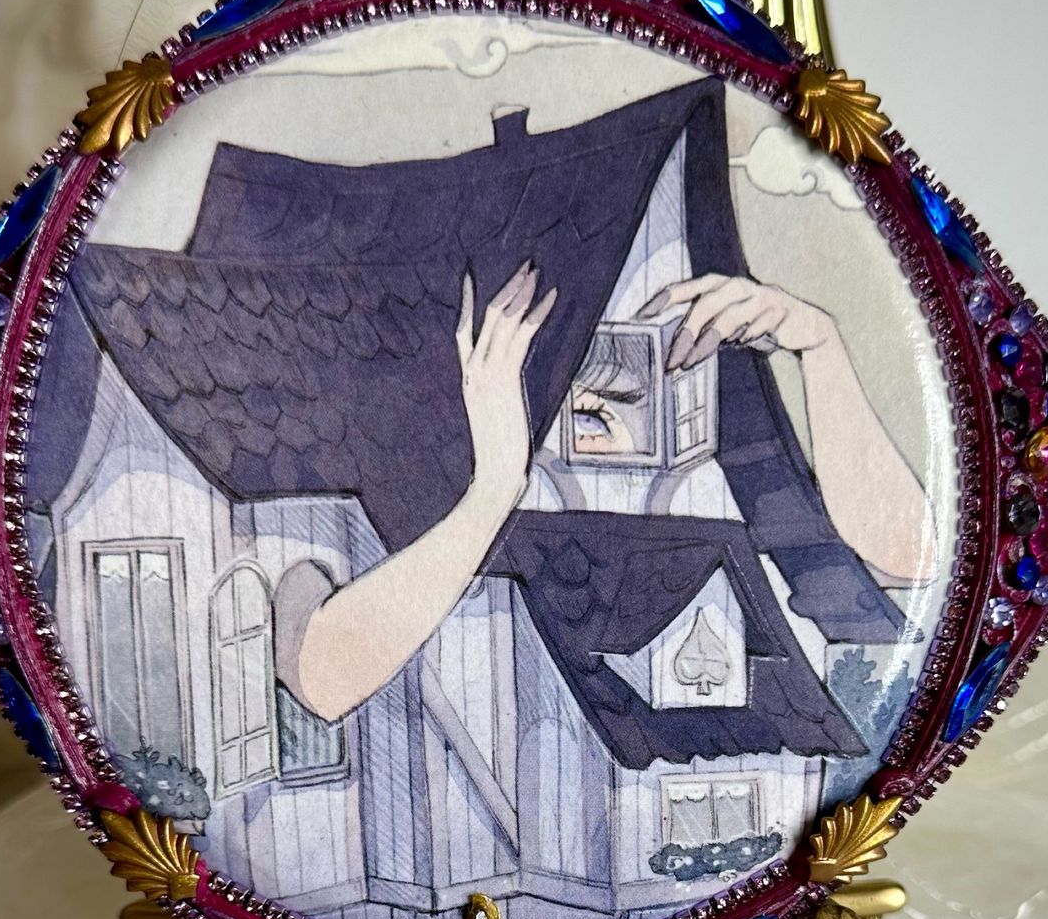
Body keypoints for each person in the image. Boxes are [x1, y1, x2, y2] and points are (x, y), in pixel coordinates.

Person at [277, 261, 936, 725]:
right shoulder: (442, 504)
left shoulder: (724, 489)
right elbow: (324, 678)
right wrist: (496, 485)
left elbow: (911, 560)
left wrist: (820, 348)